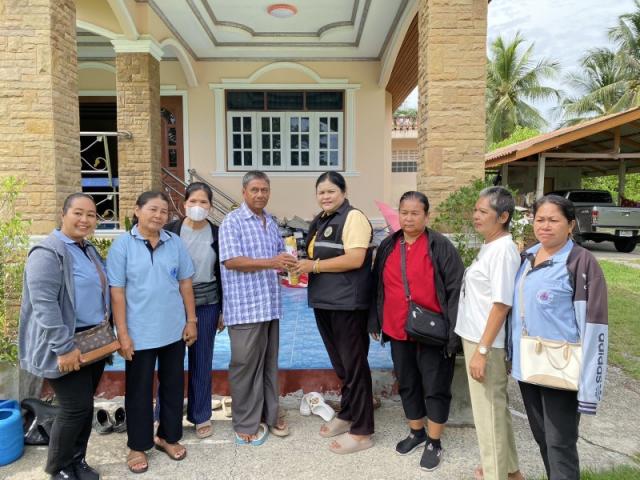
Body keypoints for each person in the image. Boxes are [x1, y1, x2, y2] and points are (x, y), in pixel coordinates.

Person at [509, 195, 608, 480]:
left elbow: (595, 327)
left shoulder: (580, 263)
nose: (545, 226)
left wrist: (590, 387)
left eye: (554, 220)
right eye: (540, 219)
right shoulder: (526, 257)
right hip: (529, 366)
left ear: (570, 225)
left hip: (562, 368)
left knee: (560, 443)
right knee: (542, 437)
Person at [369, 191, 464, 472]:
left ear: (426, 215)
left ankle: (434, 441)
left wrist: (453, 334)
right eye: (404, 212)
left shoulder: (440, 246)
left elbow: (455, 291)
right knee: (408, 382)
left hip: (432, 332)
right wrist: (375, 321)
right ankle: (416, 431)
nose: (408, 218)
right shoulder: (388, 245)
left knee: (435, 386)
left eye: (415, 213)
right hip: (398, 328)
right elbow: (377, 286)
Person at [19, 193, 109, 480]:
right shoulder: (47, 253)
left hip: (92, 341)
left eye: (91, 215)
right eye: (78, 213)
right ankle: (58, 468)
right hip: (65, 343)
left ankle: (77, 461)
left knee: (85, 406)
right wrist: (63, 347)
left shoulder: (88, 249)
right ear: (63, 214)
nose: (85, 220)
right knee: (73, 408)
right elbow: (44, 305)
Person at [107, 191, 197, 474]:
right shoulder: (122, 246)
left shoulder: (175, 243)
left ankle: (167, 437)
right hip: (139, 334)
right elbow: (117, 293)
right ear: (137, 210)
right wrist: (122, 334)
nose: (159, 215)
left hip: (173, 330)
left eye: (164, 211)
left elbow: (185, 283)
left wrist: (191, 320)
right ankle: (137, 445)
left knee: (172, 387)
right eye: (153, 209)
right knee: (139, 391)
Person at [295, 171, 375, 454]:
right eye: (321, 192)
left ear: (343, 192)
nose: (325, 196)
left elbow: (356, 258)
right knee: (341, 365)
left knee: (354, 366)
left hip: (347, 303)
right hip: (325, 302)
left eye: (331, 191)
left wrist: (314, 266)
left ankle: (363, 431)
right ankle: (348, 413)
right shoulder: (320, 220)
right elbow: (317, 256)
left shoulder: (354, 218)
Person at [218, 171, 295, 445]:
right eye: (255, 190)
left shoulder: (271, 222)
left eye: (264, 190)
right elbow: (231, 261)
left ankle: (270, 415)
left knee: (269, 366)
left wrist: (290, 264)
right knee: (244, 366)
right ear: (244, 192)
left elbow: (280, 259)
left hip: (270, 306)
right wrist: (272, 262)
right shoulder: (232, 221)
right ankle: (245, 422)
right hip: (245, 308)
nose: (260, 194)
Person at [455, 187, 524, 480]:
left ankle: (495, 473)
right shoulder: (491, 245)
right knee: (496, 411)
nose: (476, 216)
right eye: (475, 210)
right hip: (477, 338)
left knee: (488, 416)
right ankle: (510, 471)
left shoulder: (503, 251)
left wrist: (482, 351)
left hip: (487, 343)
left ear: (503, 216)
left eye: (483, 211)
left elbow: (501, 304)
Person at [163, 183, 224, 439]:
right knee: (170, 363)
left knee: (202, 360)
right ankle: (165, 415)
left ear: (210, 206)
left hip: (208, 302)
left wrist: (223, 309)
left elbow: (223, 273)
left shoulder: (218, 234)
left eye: (203, 202)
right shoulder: (170, 231)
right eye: (193, 201)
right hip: (174, 304)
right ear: (184, 203)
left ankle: (201, 415)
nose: (198, 206)